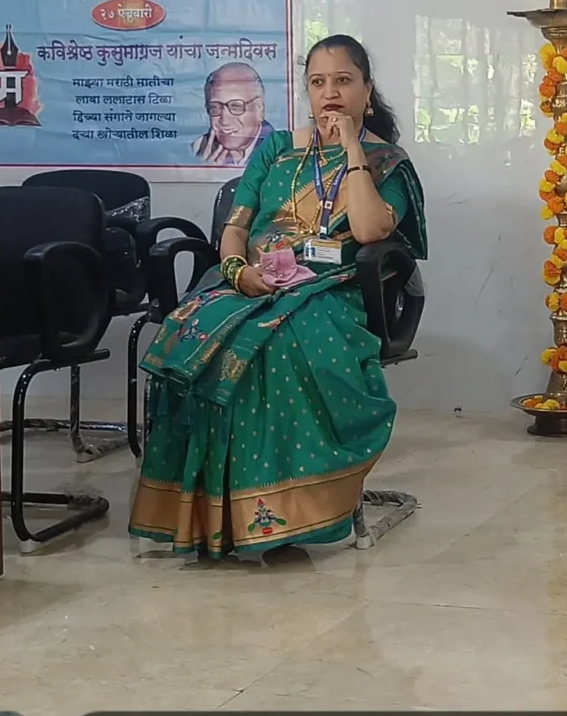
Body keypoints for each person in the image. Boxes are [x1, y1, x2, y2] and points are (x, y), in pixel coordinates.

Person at [132, 35, 426, 558]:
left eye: (343, 81)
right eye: (318, 82)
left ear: (367, 90)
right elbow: (235, 228)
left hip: (333, 289)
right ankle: (211, 515)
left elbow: (368, 229)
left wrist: (353, 149)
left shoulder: (387, 161)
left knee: (280, 343)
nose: (330, 93)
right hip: (251, 283)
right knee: (189, 334)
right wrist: (236, 271)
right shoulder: (277, 149)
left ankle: (286, 513)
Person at [192, 62, 271, 166]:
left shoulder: (280, 150)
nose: (224, 121)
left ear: (259, 109)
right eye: (215, 108)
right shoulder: (198, 148)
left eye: (236, 107)